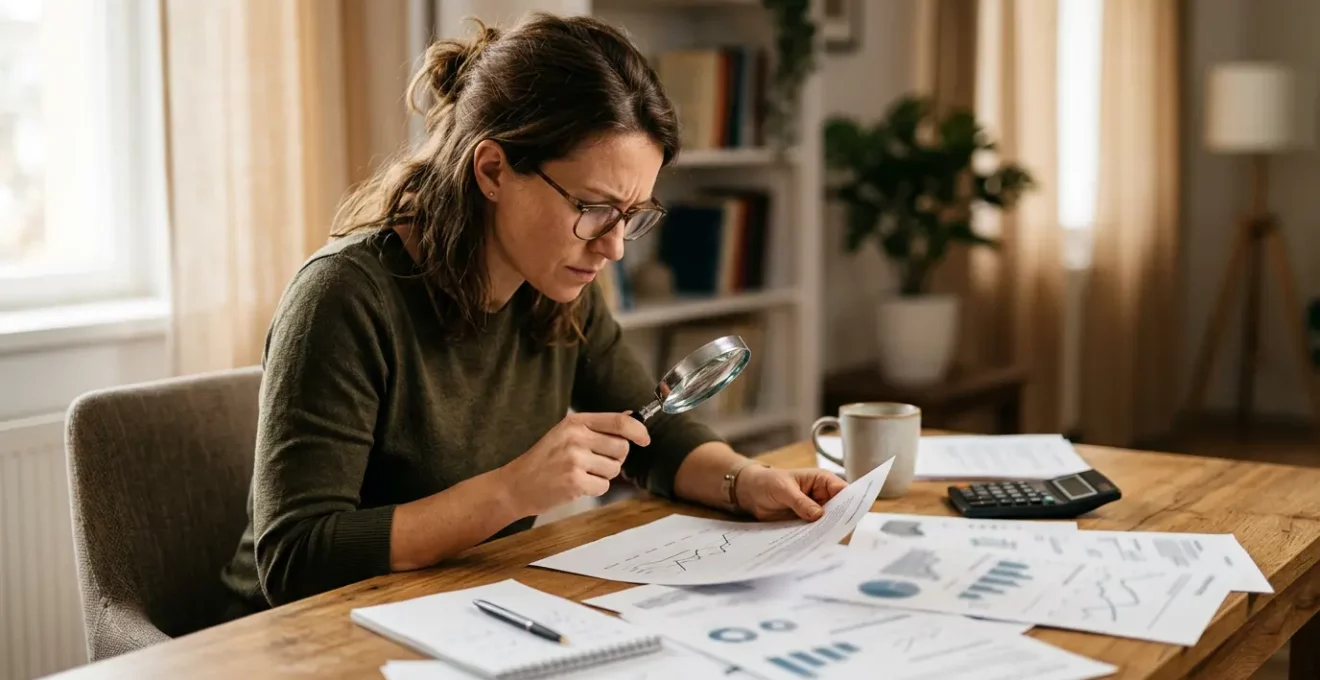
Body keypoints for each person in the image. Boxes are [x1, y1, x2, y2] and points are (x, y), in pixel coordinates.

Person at [218, 11, 846, 618]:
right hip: (300, 639)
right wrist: (512, 491)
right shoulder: (344, 297)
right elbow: (295, 560)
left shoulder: (559, 282)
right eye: (594, 206)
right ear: (492, 169)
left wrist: (747, 481)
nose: (614, 246)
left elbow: (649, 433)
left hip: (460, 607)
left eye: (632, 214)